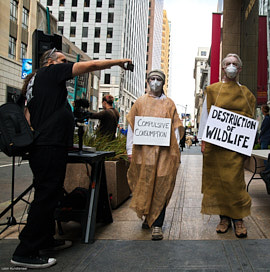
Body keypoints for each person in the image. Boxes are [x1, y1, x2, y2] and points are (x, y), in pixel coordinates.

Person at [11, 48, 132, 269]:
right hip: (48, 147)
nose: (66, 64)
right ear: (50, 62)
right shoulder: (50, 73)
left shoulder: (33, 82)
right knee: (45, 198)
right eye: (63, 60)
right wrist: (118, 62)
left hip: (46, 146)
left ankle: (45, 239)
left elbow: (28, 116)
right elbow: (91, 66)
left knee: (50, 194)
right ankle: (25, 251)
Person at [198, 53, 256, 238]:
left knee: (236, 183)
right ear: (223, 68)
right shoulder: (212, 90)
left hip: (236, 148)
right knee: (219, 183)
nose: (231, 66)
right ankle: (224, 218)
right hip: (216, 147)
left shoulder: (247, 94)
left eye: (234, 64)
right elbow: (205, 117)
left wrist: (248, 145)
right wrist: (203, 140)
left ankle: (238, 219)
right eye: (228, 63)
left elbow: (251, 122)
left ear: (239, 69)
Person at [126, 69, 184, 240]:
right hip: (143, 153)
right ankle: (147, 217)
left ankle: (157, 224)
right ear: (147, 81)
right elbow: (131, 127)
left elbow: (175, 129)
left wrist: (175, 150)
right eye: (152, 78)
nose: (155, 82)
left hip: (165, 154)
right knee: (144, 185)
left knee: (161, 185)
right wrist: (130, 150)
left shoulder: (169, 104)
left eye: (159, 79)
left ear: (163, 82)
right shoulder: (139, 103)